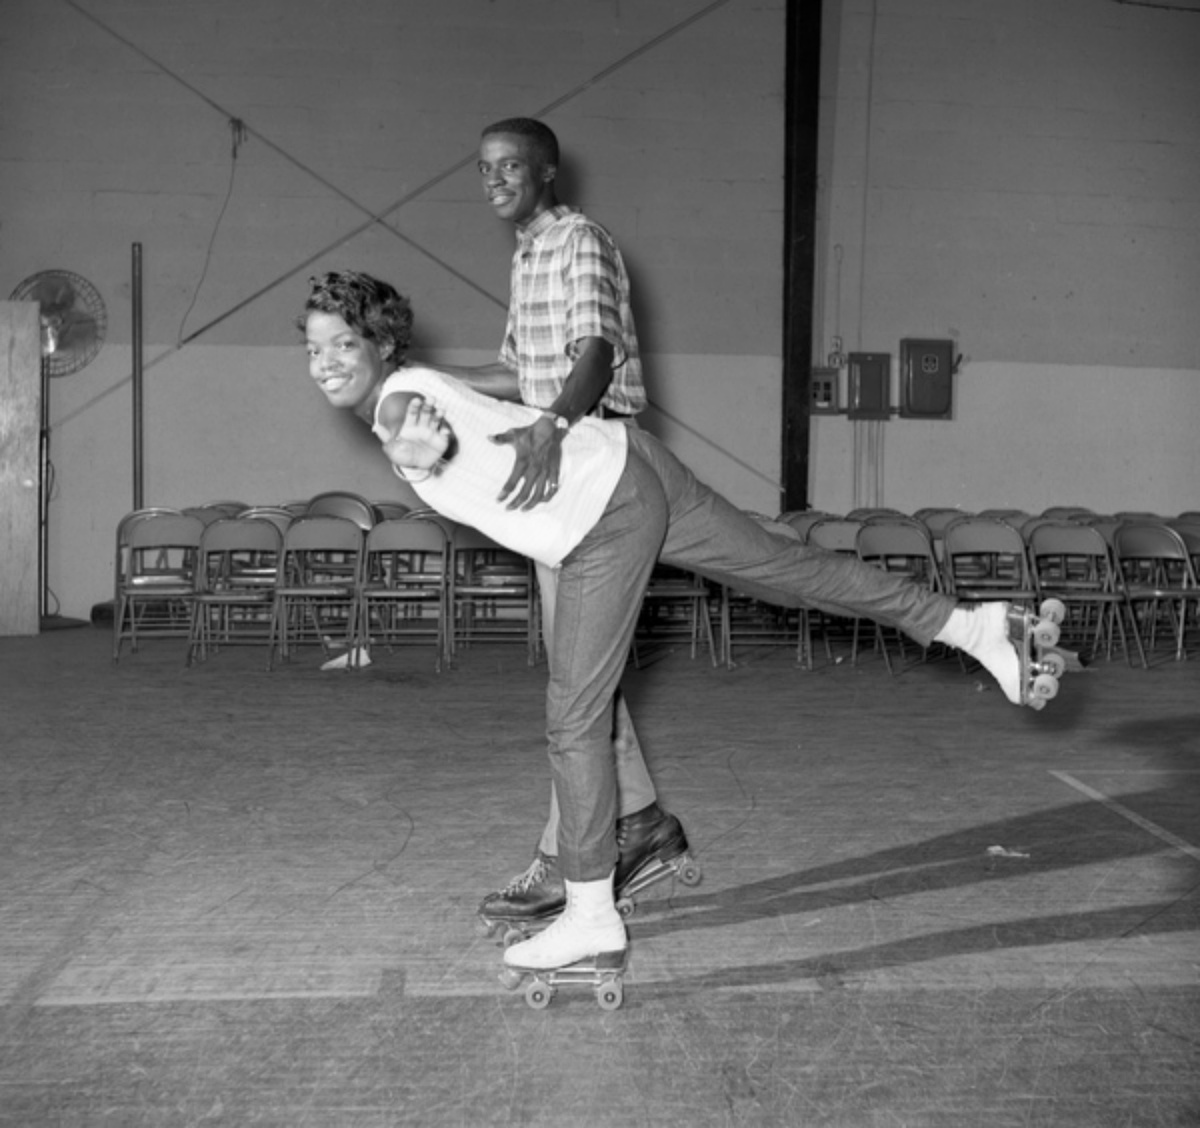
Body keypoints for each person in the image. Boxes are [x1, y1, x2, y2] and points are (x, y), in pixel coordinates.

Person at [300, 270, 1063, 976]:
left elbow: (418, 426)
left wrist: (416, 444)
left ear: (382, 346)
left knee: (575, 721)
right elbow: (449, 416)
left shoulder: (404, 398)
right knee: (789, 571)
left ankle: (591, 912)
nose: (326, 361)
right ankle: (975, 627)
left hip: (604, 518)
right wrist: (419, 442)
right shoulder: (414, 387)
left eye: (343, 344)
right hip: (631, 462)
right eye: (313, 347)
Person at [427, 117, 686, 931]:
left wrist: (551, 426)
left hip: (593, 465)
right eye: (484, 168)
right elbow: (518, 368)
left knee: (575, 683)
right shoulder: (527, 254)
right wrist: (429, 381)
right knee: (580, 670)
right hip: (560, 474)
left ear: (546, 172)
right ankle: (638, 821)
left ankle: (568, 854)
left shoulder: (580, 242)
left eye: (510, 166)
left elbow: (595, 355)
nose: (494, 179)